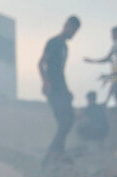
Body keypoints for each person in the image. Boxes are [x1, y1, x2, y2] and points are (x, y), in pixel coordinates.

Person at [40, 15, 82, 163]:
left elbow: (61, 71)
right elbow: (41, 63)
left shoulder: (65, 47)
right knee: (65, 121)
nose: (73, 34)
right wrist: (45, 82)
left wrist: (67, 90)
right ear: (67, 26)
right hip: (53, 88)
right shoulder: (54, 42)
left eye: (76, 32)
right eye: (73, 30)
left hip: (61, 87)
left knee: (68, 119)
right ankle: (52, 153)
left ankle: (58, 151)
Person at [85, 26, 117, 107]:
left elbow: (107, 58)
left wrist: (92, 61)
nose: (111, 37)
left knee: (115, 86)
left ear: (116, 34)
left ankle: (110, 104)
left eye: (112, 34)